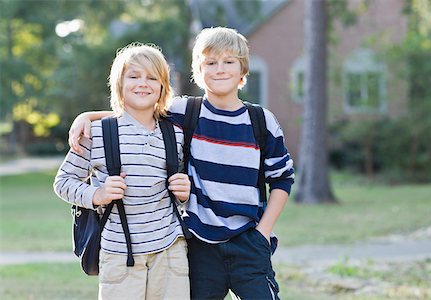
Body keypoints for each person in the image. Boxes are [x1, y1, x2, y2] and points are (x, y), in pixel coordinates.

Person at [68, 27, 295, 300]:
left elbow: (282, 178)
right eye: (210, 63)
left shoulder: (262, 121)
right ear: (199, 71)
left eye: (229, 61)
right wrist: (88, 116)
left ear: (243, 70)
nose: (219, 69)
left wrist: (262, 233)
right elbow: (139, 111)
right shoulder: (186, 111)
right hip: (199, 244)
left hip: (249, 240)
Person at [54, 43, 191, 300]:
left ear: (163, 87)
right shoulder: (96, 133)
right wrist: (98, 194)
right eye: (134, 76)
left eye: (153, 77)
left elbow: (183, 189)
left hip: (170, 250)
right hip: (119, 252)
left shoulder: (175, 133)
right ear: (119, 84)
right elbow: (63, 182)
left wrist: (186, 191)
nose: (143, 83)